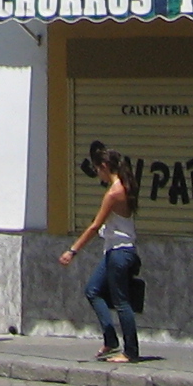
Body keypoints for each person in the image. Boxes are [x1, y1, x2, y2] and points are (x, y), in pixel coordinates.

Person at [57, 142, 142, 363]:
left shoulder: (114, 193)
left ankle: (130, 351)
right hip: (115, 251)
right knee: (93, 290)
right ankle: (110, 339)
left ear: (104, 166)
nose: (97, 174)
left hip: (120, 253)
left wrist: (73, 250)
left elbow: (95, 225)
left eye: (97, 169)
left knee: (121, 302)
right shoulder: (125, 185)